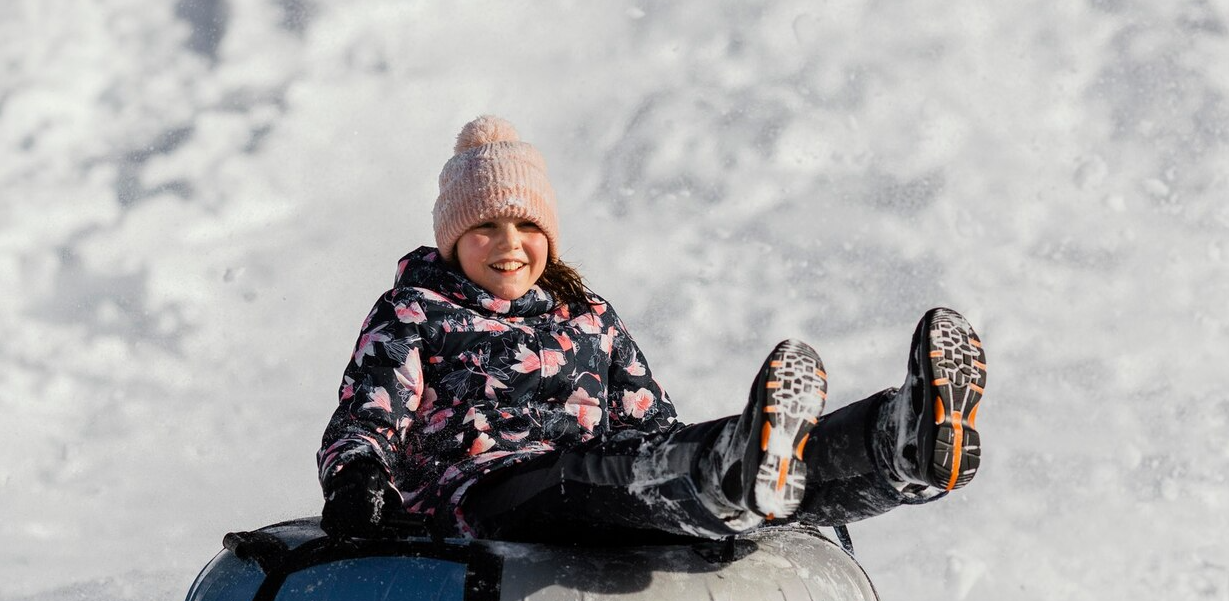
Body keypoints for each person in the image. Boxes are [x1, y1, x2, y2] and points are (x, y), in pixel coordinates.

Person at [317, 116, 987, 544]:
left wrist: (679, 448)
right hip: (482, 495)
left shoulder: (589, 316)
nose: (509, 244)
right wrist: (356, 483)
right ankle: (730, 476)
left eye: (527, 226)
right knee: (596, 475)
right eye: (484, 227)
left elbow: (647, 420)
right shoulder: (414, 312)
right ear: (452, 239)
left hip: (598, 478)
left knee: (675, 455)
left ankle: (893, 448)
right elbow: (367, 417)